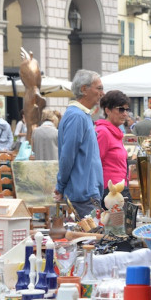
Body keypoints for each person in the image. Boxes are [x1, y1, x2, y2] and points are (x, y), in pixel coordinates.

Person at [53, 69, 104, 218]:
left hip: (86, 193)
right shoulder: (77, 116)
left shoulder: (81, 115)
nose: (102, 93)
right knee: (90, 238)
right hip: (83, 195)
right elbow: (67, 156)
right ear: (84, 89)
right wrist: (60, 186)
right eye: (99, 88)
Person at [96, 90, 132, 201]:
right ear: (108, 110)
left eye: (126, 110)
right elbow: (95, 163)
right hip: (110, 192)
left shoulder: (115, 132)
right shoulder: (103, 132)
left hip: (120, 189)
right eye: (121, 109)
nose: (125, 114)